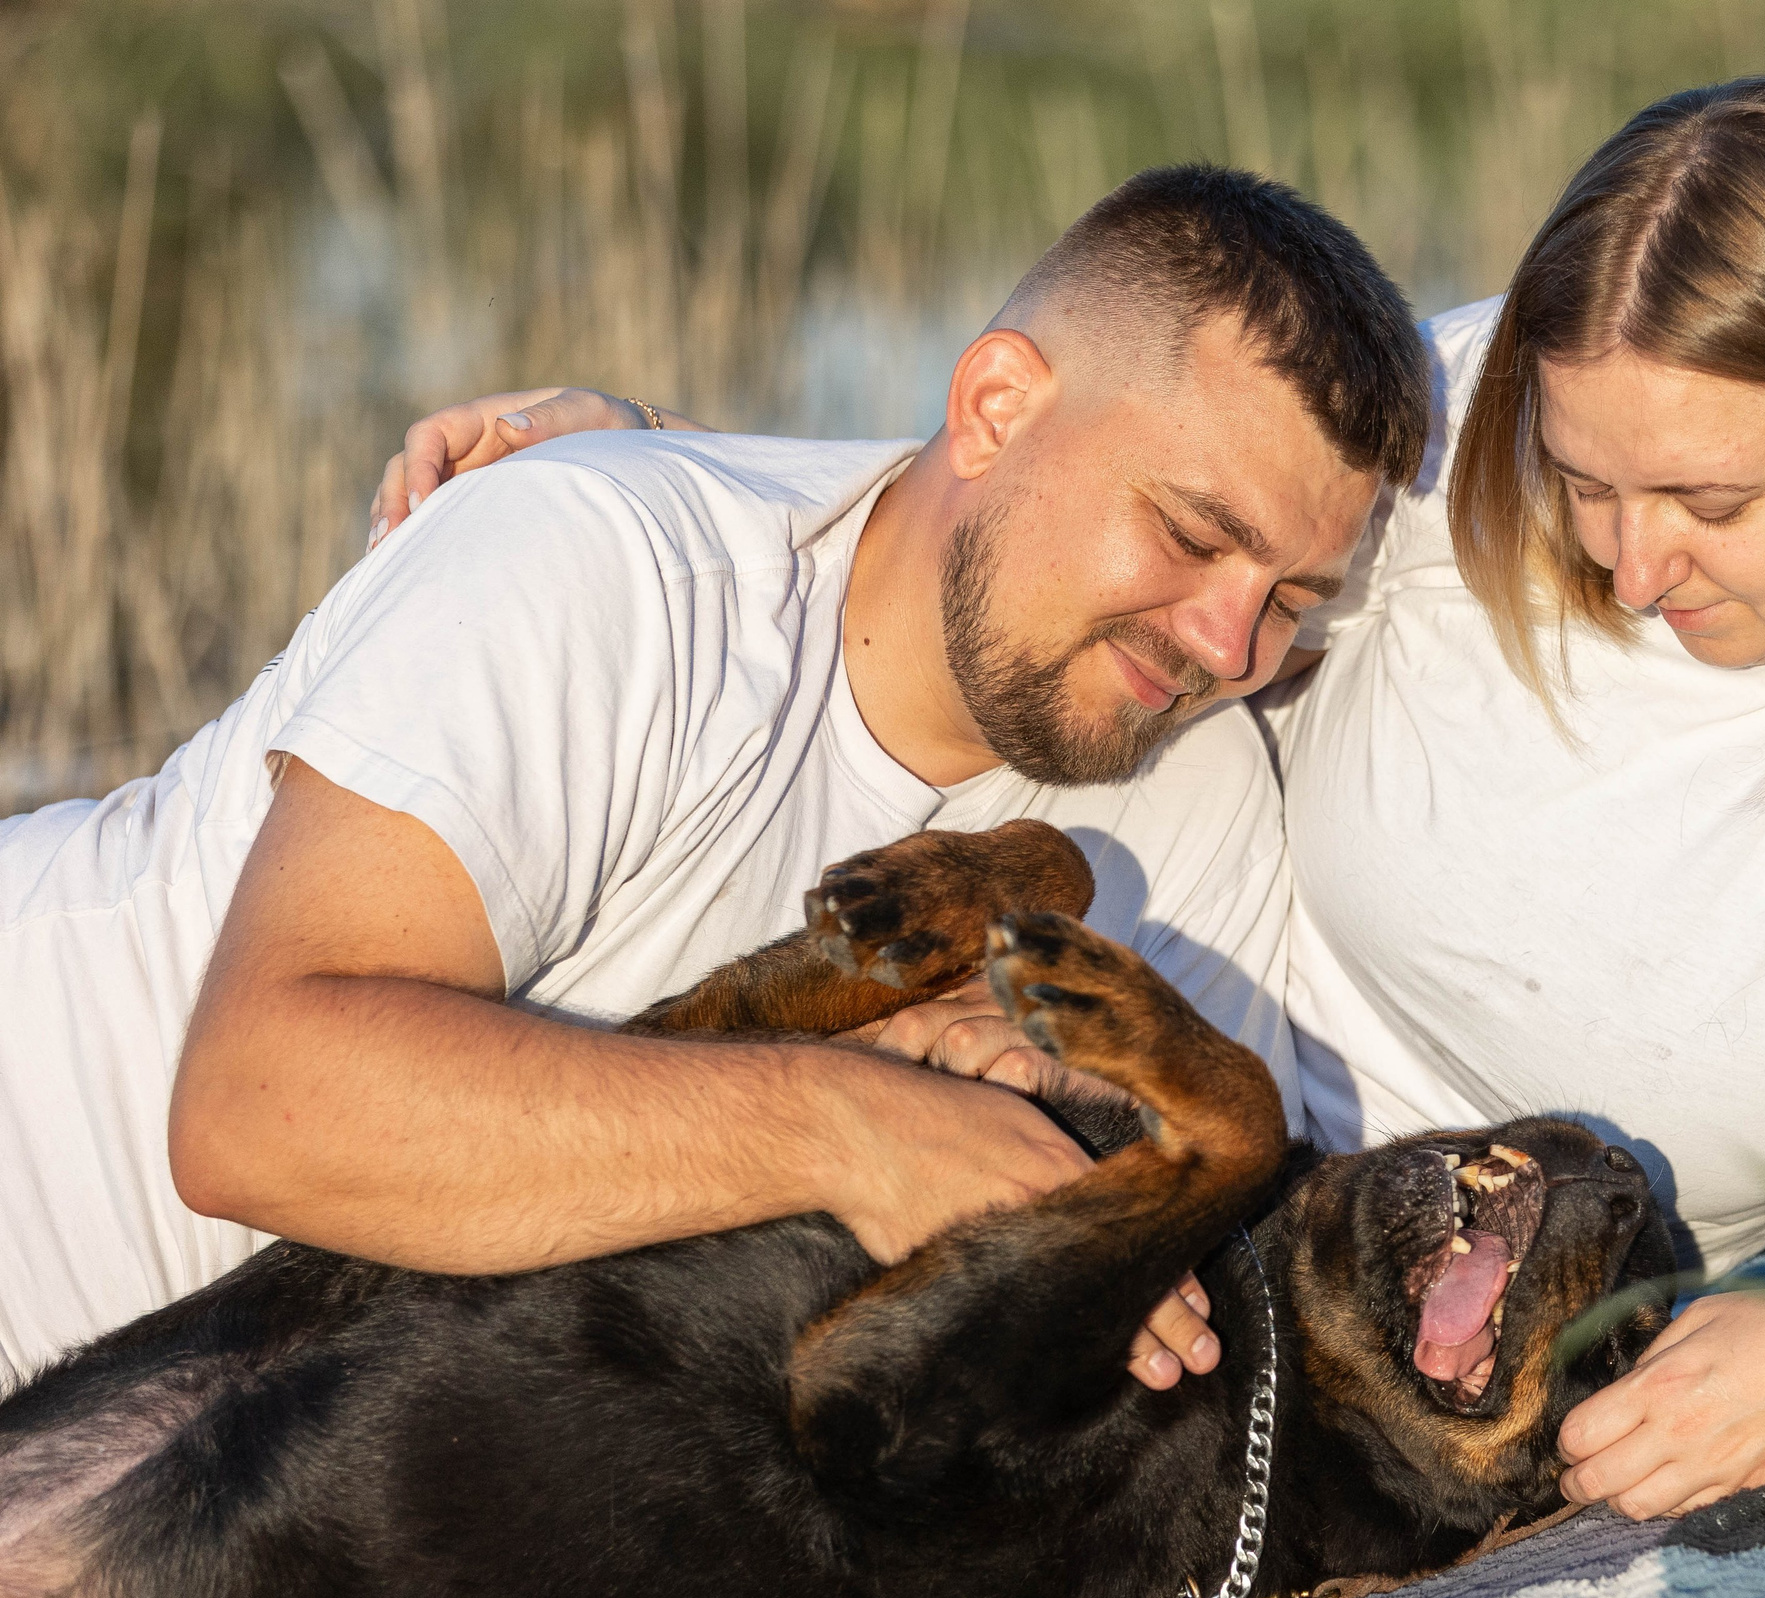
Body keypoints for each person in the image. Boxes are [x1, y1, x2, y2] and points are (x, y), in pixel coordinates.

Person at [375, 79, 1765, 1526]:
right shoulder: (1470, 415)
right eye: (1583, 481)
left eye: (1711, 504)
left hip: (1427, 1368)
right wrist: (667, 484)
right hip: (1125, 1096)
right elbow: (1104, 469)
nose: (1629, 558)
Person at [0, 165, 1429, 1389]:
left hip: (246, 1488)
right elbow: (261, 1103)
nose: (1226, 642)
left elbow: (1181, 1264)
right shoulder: (604, 560)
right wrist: (849, 1123)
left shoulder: (1198, 814)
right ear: (996, 407)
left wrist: (1048, 1133)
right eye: (1190, 535)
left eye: (1293, 597)